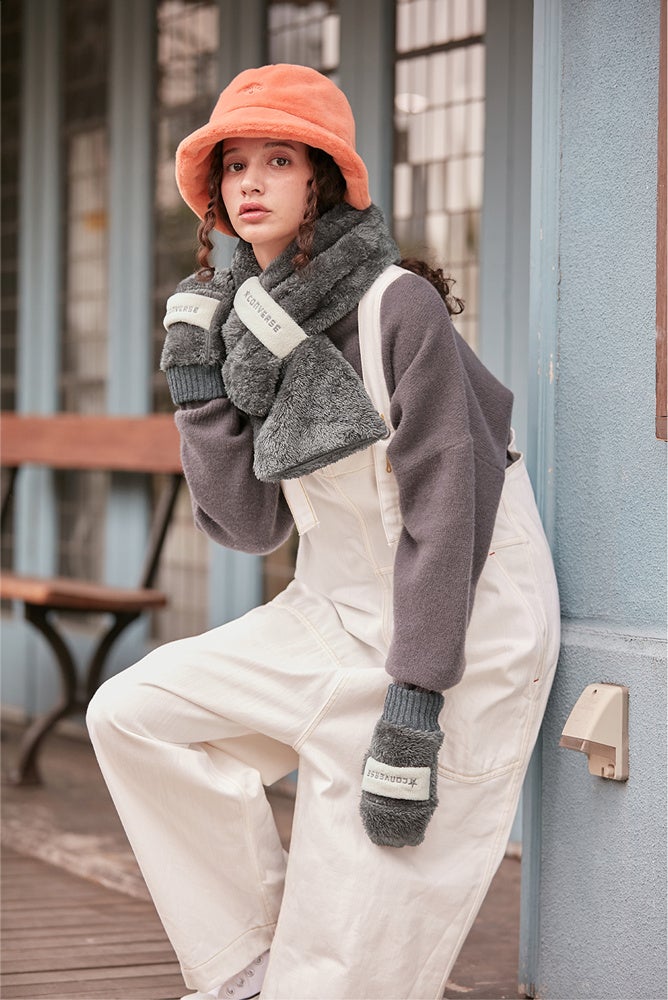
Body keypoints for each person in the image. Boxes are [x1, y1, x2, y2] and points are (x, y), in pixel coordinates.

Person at [87, 63, 560, 1000]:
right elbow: (248, 525)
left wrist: (415, 702)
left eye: (279, 160)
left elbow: (449, 510)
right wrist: (200, 393)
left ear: (323, 181)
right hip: (333, 612)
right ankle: (245, 966)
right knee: (134, 714)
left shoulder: (396, 307)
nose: (251, 183)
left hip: (459, 630)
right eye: (235, 166)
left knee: (348, 972)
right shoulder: (247, 332)